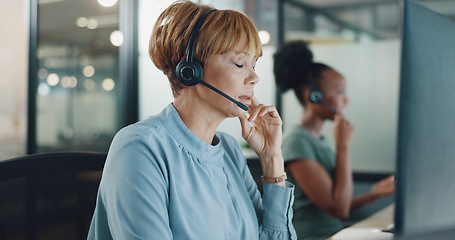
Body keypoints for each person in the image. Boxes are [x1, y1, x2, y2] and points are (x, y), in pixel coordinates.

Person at [88, 1, 297, 239]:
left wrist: (272, 159)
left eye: (254, 65)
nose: (254, 77)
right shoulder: (139, 148)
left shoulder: (229, 151)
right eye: (240, 63)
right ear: (191, 70)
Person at [273, 41, 395, 240]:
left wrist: (374, 194)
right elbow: (338, 209)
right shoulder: (296, 142)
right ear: (313, 96)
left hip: (335, 232)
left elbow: (339, 205)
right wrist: (343, 146)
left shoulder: (318, 140)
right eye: (339, 92)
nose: (346, 100)